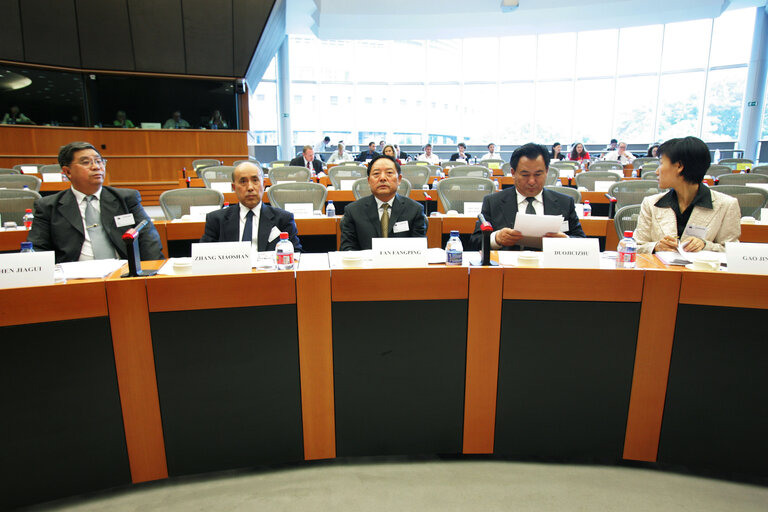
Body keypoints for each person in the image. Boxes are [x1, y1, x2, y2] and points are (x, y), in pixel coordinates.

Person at [27, 141, 163, 263]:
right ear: (67, 172)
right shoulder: (48, 206)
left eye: (99, 161)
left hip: (123, 272)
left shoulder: (127, 198)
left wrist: (149, 272)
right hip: (74, 277)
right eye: (86, 162)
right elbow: (37, 247)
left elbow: (149, 239)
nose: (96, 167)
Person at [469, 143, 585, 251]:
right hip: (509, 270)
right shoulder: (493, 201)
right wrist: (496, 239)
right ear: (513, 173)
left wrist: (565, 241)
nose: (531, 181)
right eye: (525, 175)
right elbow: (474, 242)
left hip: (550, 269)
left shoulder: (564, 202)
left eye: (538, 174)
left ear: (547, 171)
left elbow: (582, 242)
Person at [634, 136, 740, 254]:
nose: (656, 171)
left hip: (700, 271)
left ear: (679, 166)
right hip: (661, 270)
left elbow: (732, 252)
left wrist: (705, 245)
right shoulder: (651, 203)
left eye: (661, 163)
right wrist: (655, 247)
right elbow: (635, 246)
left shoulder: (726, 205)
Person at [200, 162, 302, 251]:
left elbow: (296, 254)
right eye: (243, 181)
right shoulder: (216, 220)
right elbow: (203, 256)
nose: (250, 187)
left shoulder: (283, 219)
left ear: (264, 184)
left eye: (255, 180)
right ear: (234, 187)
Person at [340, 155, 427, 250]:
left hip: (402, 264)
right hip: (366, 264)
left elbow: (419, 251)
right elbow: (347, 250)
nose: (382, 178)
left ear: (399, 179)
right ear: (369, 181)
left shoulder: (415, 210)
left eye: (389, 173)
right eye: (376, 174)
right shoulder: (353, 211)